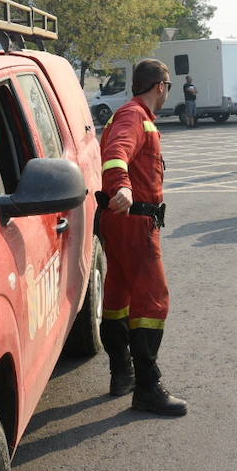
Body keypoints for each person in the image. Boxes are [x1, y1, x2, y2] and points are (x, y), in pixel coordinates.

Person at [97, 59, 187, 416]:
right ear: (161, 86)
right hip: (135, 223)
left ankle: (122, 373)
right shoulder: (135, 116)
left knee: (118, 294)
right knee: (152, 300)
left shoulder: (131, 114)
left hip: (118, 221)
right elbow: (116, 152)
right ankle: (147, 388)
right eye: (168, 87)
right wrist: (122, 187)